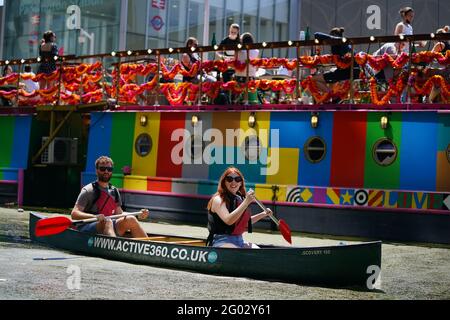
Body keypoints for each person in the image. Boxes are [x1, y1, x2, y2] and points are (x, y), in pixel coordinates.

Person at [71, 156, 149, 237]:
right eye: (102, 169)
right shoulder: (88, 190)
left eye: (109, 169)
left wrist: (138, 214)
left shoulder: (114, 191)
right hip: (88, 227)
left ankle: (149, 246)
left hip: (109, 225)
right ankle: (114, 246)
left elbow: (120, 213)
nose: (106, 171)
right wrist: (95, 216)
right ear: (97, 170)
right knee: (108, 221)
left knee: (131, 219)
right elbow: (74, 214)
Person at [206, 167, 273, 248]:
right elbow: (229, 220)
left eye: (237, 179)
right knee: (235, 252)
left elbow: (243, 223)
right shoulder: (218, 200)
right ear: (224, 182)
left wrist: (263, 214)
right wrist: (246, 202)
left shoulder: (239, 199)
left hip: (239, 240)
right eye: (229, 179)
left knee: (258, 251)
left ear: (241, 183)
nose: (233, 182)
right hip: (220, 241)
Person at [310, 27, 360, 103]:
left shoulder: (337, 40)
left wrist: (327, 39)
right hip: (351, 71)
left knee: (313, 79)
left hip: (346, 72)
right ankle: (332, 97)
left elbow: (317, 34)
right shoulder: (346, 44)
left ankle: (332, 96)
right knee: (330, 75)